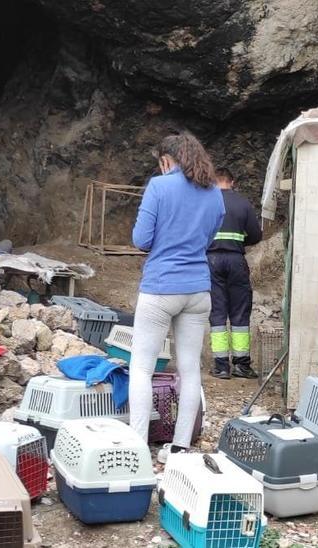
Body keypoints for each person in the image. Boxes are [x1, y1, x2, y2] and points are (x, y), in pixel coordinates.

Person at [128, 131, 224, 459]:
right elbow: (210, 237)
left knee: (141, 367)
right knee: (190, 369)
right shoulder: (214, 193)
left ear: (167, 160)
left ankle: (139, 445)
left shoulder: (159, 186)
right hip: (198, 289)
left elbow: (141, 239)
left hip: (160, 287)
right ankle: (180, 446)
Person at [207, 167, 263, 379]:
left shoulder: (206, 202)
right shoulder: (242, 203)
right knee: (239, 312)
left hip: (210, 261)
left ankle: (221, 366)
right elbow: (256, 235)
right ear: (233, 181)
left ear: (213, 182)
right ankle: (241, 365)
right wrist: (239, 240)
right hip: (236, 260)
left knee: (217, 312)